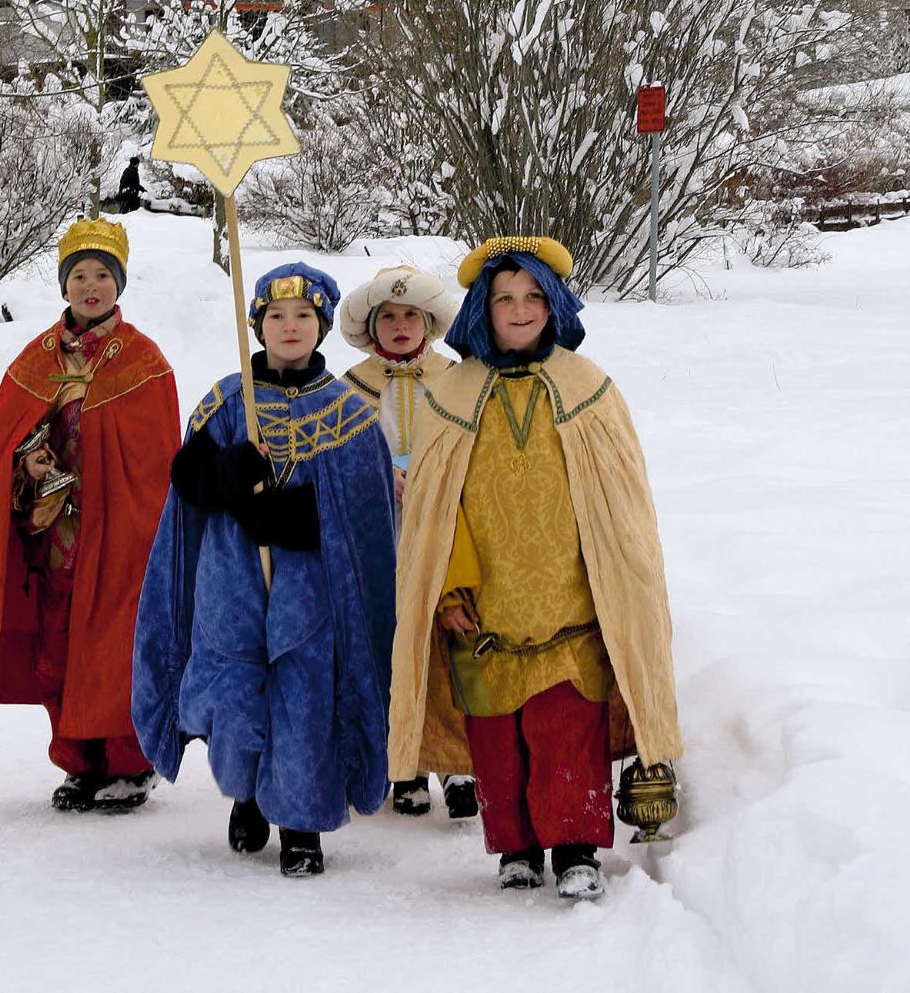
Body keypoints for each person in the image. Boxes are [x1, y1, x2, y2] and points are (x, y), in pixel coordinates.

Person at [388, 235, 681, 900]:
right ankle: (515, 848)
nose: (518, 310)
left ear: (553, 306)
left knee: (566, 729)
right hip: (483, 603)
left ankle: (577, 847)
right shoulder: (451, 393)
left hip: (569, 596)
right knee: (498, 740)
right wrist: (449, 585)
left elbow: (619, 503)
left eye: (531, 297)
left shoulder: (589, 386)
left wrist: (613, 580)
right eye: (502, 299)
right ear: (479, 310)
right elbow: (438, 507)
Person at [132, 262, 396, 877]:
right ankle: (247, 794)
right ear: (256, 325)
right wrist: (228, 473)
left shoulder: (350, 415)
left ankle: (301, 821)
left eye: (303, 316)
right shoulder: (227, 401)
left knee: (304, 696)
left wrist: (297, 517)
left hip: (309, 588)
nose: (289, 326)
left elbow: (365, 520)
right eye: (276, 316)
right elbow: (187, 483)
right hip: (231, 583)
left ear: (322, 326)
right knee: (235, 693)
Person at [0, 218, 179, 811]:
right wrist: (29, 465)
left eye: (103, 275)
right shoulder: (34, 359)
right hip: (55, 534)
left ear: (119, 283)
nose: (91, 286)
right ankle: (76, 758)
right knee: (59, 645)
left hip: (121, 535)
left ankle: (130, 761)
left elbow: (156, 460)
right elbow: (4, 447)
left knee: (115, 643)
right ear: (63, 285)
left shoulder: (143, 362)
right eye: (79, 275)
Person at [338, 263, 477, 822]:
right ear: (372, 327)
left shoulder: (457, 379)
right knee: (395, 642)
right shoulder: (349, 388)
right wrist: (377, 475)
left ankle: (461, 765)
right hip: (381, 537)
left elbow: (474, 450)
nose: (400, 326)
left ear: (429, 323)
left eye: (410, 316)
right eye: (388, 316)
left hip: (447, 531)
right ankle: (408, 765)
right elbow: (337, 458)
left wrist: (432, 476)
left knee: (451, 641)